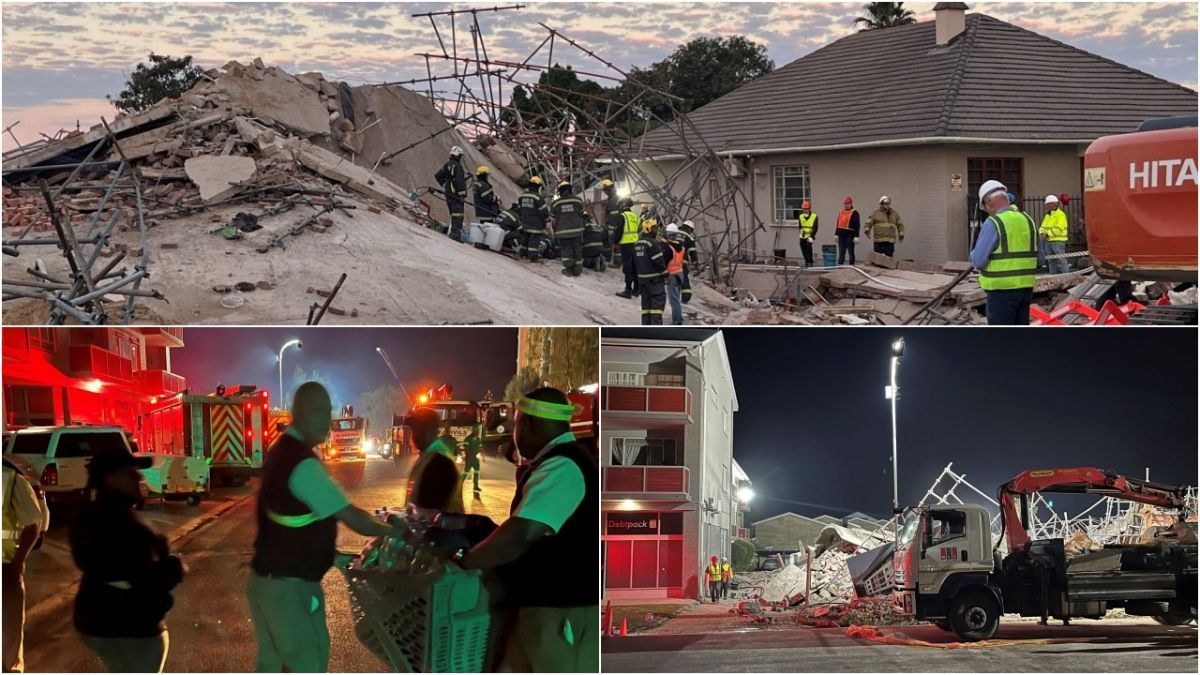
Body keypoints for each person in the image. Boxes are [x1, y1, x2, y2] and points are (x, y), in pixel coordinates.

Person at [248, 382, 399, 672]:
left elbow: (293, 527)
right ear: (297, 413)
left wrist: (335, 557)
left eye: (327, 410)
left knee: (273, 665)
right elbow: (354, 518)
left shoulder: (283, 453)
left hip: (267, 585)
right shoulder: (302, 464)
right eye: (317, 410)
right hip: (289, 592)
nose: (325, 419)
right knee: (309, 662)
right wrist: (395, 531)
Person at [462, 387, 597, 673]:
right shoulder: (556, 462)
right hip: (541, 607)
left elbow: (520, 534)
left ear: (528, 423)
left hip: (560, 612)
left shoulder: (563, 466)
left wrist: (466, 562)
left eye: (516, 424)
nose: (513, 433)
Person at [70, 446, 184, 673]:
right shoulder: (119, 524)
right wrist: (174, 567)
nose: (138, 477)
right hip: (129, 630)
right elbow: (144, 582)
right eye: (130, 473)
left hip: (98, 622)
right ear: (111, 478)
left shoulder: (91, 513)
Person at [970, 180, 1039, 325]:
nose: (987, 211)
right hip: (1025, 290)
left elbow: (978, 260)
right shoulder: (1028, 220)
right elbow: (1041, 259)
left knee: (1001, 339)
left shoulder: (994, 223)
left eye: (986, 207)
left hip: (1000, 292)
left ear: (989, 202)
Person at [3, 458, 45, 673]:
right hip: (7, 569)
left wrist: (17, 563)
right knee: (8, 642)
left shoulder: (11, 480)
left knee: (8, 639)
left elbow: (33, 525)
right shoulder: (10, 479)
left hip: (5, 570)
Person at [407, 412, 466, 514]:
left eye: (417, 429)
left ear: (431, 429)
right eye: (413, 430)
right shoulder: (428, 456)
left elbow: (425, 518)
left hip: (440, 528)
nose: (413, 436)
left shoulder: (439, 464)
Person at [633, 218, 667, 325]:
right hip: (655, 281)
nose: (656, 230)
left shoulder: (637, 244)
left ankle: (645, 328)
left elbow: (634, 264)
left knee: (646, 309)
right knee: (656, 309)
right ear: (647, 229)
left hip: (643, 281)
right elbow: (659, 262)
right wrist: (666, 274)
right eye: (654, 228)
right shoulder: (653, 243)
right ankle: (656, 332)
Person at [551, 181, 586, 277]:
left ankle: (569, 269)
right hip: (577, 231)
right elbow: (583, 214)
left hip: (563, 232)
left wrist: (555, 231)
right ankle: (578, 269)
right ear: (570, 191)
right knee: (577, 250)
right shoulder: (578, 200)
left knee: (567, 251)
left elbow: (553, 220)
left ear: (560, 192)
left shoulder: (556, 203)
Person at [434, 145, 469, 241]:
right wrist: (462, 195)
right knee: (458, 214)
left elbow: (438, 176)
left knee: (453, 214)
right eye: (460, 156)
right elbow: (459, 181)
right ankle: (455, 235)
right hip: (456, 195)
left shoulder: (447, 165)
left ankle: (453, 232)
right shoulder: (457, 166)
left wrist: (445, 185)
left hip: (448, 193)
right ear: (458, 155)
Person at [517, 177, 551, 263]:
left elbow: (520, 209)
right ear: (538, 186)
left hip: (525, 222)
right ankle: (533, 256)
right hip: (536, 224)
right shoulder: (538, 198)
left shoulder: (522, 196)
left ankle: (522, 253)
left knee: (525, 238)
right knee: (534, 241)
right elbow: (543, 212)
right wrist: (547, 221)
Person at [614, 198, 641, 299]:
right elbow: (638, 229)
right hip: (635, 243)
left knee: (627, 268)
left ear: (623, 205)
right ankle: (636, 290)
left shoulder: (622, 216)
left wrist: (615, 241)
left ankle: (628, 290)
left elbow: (619, 231)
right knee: (635, 267)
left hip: (626, 244)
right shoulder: (635, 216)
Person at [663, 223, 687, 325]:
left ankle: (677, 320)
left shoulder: (669, 248)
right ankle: (679, 317)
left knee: (674, 300)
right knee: (677, 298)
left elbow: (664, 262)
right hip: (680, 274)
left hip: (671, 275)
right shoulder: (681, 247)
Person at [1040, 194, 1070, 275]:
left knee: (1061, 260)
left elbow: (1059, 228)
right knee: (1051, 261)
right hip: (1048, 241)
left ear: (1054, 204)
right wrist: (1042, 233)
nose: (1046, 206)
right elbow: (1042, 226)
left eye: (1047, 204)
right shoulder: (1047, 215)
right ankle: (1053, 276)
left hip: (1057, 241)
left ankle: (1066, 277)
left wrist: (1046, 235)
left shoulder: (1060, 214)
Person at [600, 178, 623, 266]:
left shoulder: (613, 199)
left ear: (607, 189)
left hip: (613, 226)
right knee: (605, 239)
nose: (604, 192)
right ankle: (608, 257)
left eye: (604, 190)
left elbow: (614, 214)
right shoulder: (613, 197)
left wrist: (610, 225)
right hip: (611, 225)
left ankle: (616, 262)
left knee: (615, 242)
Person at [834, 196, 860, 265]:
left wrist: (856, 236)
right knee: (841, 253)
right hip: (841, 236)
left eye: (848, 204)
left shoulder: (854, 213)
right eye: (845, 204)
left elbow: (857, 225)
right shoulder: (841, 212)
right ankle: (840, 267)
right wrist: (836, 234)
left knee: (851, 253)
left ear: (851, 204)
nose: (846, 205)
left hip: (850, 236)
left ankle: (852, 266)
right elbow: (838, 223)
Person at [797, 201, 818, 267]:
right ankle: (806, 262)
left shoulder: (814, 216)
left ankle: (810, 262)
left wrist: (811, 236)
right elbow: (800, 226)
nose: (805, 210)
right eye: (804, 209)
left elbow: (815, 227)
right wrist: (801, 232)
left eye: (806, 209)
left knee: (808, 249)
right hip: (802, 236)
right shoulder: (801, 216)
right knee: (803, 249)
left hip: (810, 236)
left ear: (809, 209)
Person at [463, 427, 483, 496]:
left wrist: (483, 457)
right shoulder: (468, 439)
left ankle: (475, 486)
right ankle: (459, 485)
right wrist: (469, 455)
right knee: (466, 472)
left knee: (476, 472)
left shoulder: (478, 439)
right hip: (469, 458)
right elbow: (466, 448)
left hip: (475, 458)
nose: (477, 433)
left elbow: (481, 448)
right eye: (476, 432)